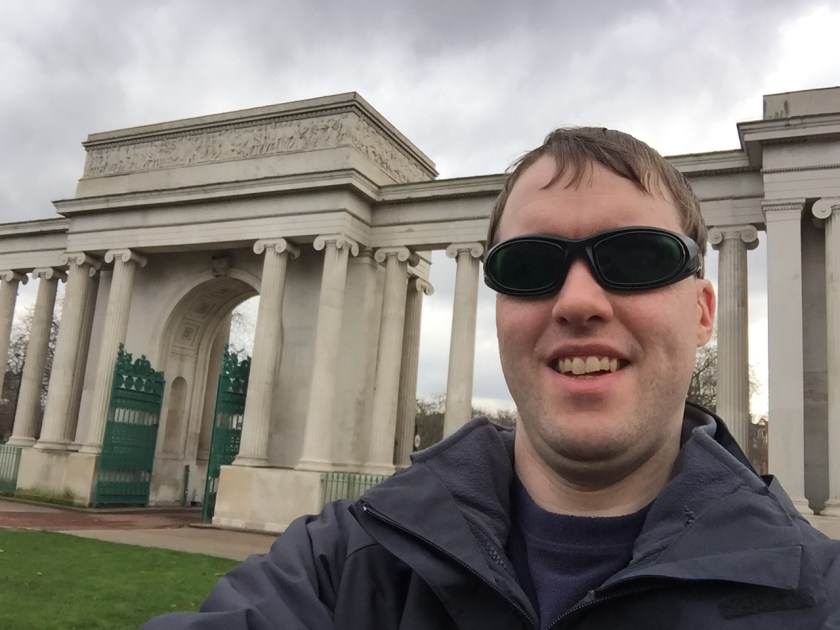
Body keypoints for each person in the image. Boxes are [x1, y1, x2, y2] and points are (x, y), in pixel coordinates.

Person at [141, 128, 840, 629]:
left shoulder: (819, 593)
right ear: (499, 309)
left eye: (637, 257)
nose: (578, 302)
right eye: (529, 266)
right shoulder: (345, 563)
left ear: (703, 310)